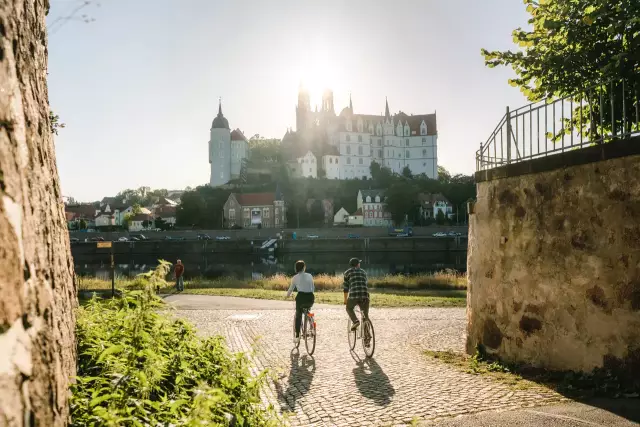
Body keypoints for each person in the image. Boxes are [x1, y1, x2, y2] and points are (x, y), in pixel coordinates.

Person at [286, 260, 315, 344]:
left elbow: (291, 288)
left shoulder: (295, 277)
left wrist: (287, 295)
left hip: (301, 297)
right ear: (304, 267)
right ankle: (311, 325)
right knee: (307, 310)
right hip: (310, 297)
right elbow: (312, 288)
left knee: (298, 315)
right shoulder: (310, 275)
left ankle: (297, 335)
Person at [343, 257, 370, 332]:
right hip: (365, 296)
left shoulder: (347, 273)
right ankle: (367, 339)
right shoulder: (363, 272)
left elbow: (346, 288)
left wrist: (345, 300)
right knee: (365, 316)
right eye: (359, 263)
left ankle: (355, 321)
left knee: (348, 308)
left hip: (354, 296)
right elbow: (365, 284)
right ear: (358, 264)